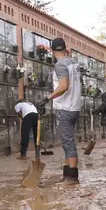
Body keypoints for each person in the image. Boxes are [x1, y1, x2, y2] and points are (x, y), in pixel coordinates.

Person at [43, 38, 82, 185]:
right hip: (75, 107)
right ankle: (67, 174)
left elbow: (64, 86)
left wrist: (47, 98)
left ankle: (72, 177)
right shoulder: (73, 63)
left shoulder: (60, 65)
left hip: (65, 108)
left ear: (51, 50)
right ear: (65, 48)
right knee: (68, 142)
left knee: (68, 143)